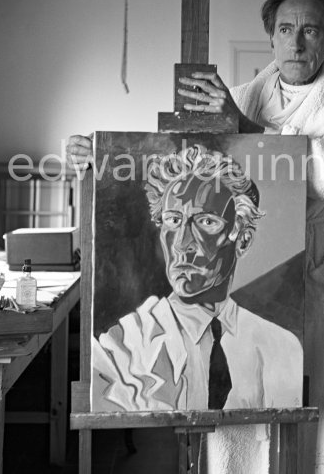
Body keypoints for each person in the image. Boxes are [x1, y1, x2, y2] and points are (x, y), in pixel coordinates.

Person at [68, 0, 324, 474]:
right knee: (240, 400)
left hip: (319, 256)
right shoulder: (237, 97)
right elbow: (177, 157)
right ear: (270, 37)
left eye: (311, 30)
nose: (296, 42)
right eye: (285, 28)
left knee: (322, 390)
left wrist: (244, 125)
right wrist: (100, 154)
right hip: (249, 265)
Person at [92, 144, 303, 412]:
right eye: (173, 220)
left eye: (205, 222)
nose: (182, 243)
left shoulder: (281, 347)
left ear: (243, 240)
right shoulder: (123, 347)